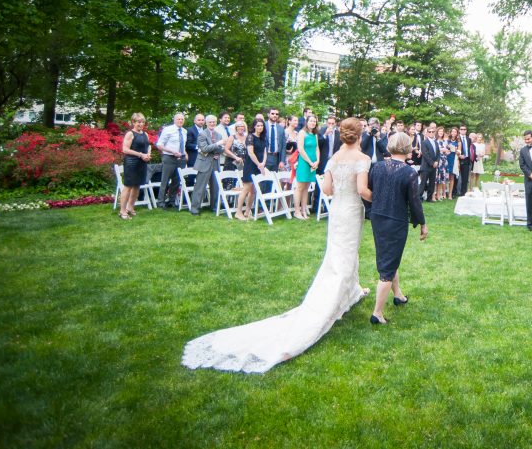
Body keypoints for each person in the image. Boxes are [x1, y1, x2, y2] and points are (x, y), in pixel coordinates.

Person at [182, 118, 370, 372]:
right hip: (351, 210)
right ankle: (334, 299)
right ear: (359, 135)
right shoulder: (362, 159)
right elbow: (362, 190)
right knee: (347, 252)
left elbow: (326, 189)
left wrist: (340, 187)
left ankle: (352, 289)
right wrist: (379, 196)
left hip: (337, 210)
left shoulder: (335, 158)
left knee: (337, 252)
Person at [364, 132, 427, 325]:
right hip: (396, 221)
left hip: (378, 218)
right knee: (387, 267)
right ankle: (377, 313)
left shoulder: (377, 167)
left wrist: (372, 210)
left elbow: (368, 192)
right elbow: (414, 202)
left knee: (391, 258)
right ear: (407, 148)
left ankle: (398, 295)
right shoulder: (409, 172)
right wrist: (422, 224)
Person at [119, 112, 151, 219]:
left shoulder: (145, 134)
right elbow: (125, 149)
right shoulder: (130, 134)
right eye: (138, 122)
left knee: (137, 186)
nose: (141, 124)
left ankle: (130, 207)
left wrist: (148, 155)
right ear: (133, 122)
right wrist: (141, 155)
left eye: (142, 122)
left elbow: (148, 147)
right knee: (128, 186)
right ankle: (122, 211)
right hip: (131, 163)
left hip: (142, 163)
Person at [190, 115, 224, 216]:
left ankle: (214, 207)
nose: (212, 124)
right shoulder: (202, 134)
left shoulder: (219, 135)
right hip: (204, 163)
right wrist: (217, 145)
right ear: (206, 123)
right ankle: (195, 209)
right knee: (200, 187)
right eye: (210, 122)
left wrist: (217, 151)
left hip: (215, 163)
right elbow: (204, 149)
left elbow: (221, 149)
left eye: (214, 122)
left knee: (215, 187)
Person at [236, 119, 267, 221]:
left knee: (253, 191)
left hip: (259, 166)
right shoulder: (250, 137)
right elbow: (250, 153)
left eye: (261, 125)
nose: (260, 127)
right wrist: (259, 164)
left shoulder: (263, 138)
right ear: (254, 126)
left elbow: (265, 152)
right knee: (246, 189)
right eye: (258, 125)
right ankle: (238, 212)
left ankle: (247, 212)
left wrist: (263, 163)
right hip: (250, 166)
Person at [155, 113, 187, 208]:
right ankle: (161, 202)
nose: (180, 121)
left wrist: (185, 154)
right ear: (174, 120)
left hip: (180, 159)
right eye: (178, 119)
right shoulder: (168, 130)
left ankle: (171, 201)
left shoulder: (184, 131)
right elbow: (159, 145)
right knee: (165, 180)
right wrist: (172, 151)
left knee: (176, 181)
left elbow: (182, 145)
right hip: (169, 157)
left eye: (182, 119)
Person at [294, 114, 320, 220]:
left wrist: (317, 161)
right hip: (304, 162)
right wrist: (309, 162)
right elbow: (300, 149)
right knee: (300, 187)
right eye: (311, 121)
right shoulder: (302, 133)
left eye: (314, 121)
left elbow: (317, 148)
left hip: (313, 163)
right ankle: (297, 211)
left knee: (306, 187)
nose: (313, 123)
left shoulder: (315, 134)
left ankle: (304, 210)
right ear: (307, 122)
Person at [419, 125, 438, 201]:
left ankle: (429, 198)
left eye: (433, 132)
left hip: (434, 166)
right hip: (426, 166)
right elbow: (425, 154)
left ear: (434, 133)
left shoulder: (436, 142)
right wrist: (432, 163)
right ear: (427, 133)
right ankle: (418, 197)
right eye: (429, 132)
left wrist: (437, 161)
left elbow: (438, 153)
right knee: (423, 183)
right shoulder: (424, 142)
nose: (431, 133)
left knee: (432, 183)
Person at [264, 108, 286, 172]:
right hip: (265, 157)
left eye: (276, 114)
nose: (275, 115)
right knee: (263, 177)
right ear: (268, 114)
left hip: (276, 158)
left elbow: (283, 146)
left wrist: (282, 161)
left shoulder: (281, 128)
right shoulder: (263, 126)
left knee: (275, 177)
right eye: (272, 113)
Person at [456, 125, 473, 196]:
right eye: (461, 129)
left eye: (464, 129)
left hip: (466, 160)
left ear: (466, 130)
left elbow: (469, 149)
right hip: (458, 159)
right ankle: (455, 192)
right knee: (456, 177)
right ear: (459, 130)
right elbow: (455, 148)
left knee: (465, 178)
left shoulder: (468, 139)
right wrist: (459, 155)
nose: (463, 130)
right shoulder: (457, 138)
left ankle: (463, 193)